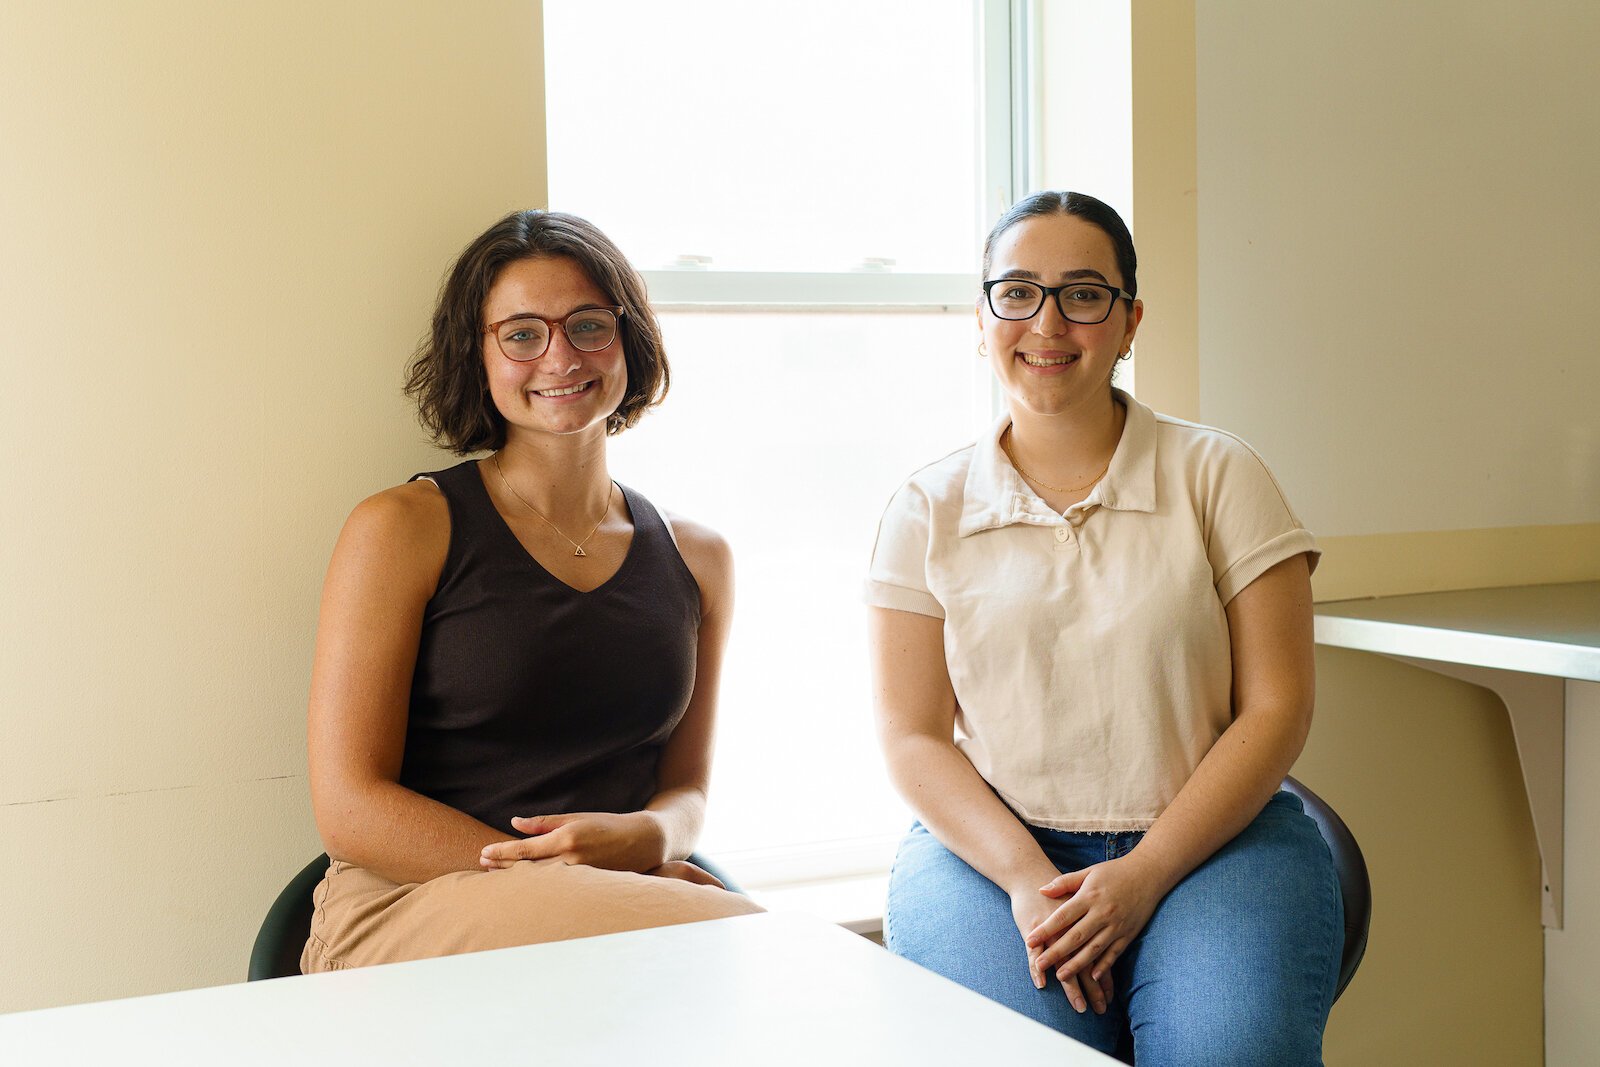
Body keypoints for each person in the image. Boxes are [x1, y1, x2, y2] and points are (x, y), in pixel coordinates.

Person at [865, 191, 1341, 1064]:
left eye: (1084, 293)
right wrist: (1023, 875)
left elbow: (1278, 708)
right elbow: (910, 734)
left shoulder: (1219, 473)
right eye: (1018, 291)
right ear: (983, 317)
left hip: (1211, 842)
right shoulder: (924, 508)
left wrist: (1146, 871)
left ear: (1129, 322)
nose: (1049, 321)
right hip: (993, 850)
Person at [302, 210, 760, 972]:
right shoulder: (401, 527)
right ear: (476, 355)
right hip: (409, 907)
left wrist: (648, 842)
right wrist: (572, 874)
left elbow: (686, 789)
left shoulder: (700, 556)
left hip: (613, 913)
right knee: (750, 953)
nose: (559, 356)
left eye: (588, 324)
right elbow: (349, 806)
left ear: (628, 338)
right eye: (521, 334)